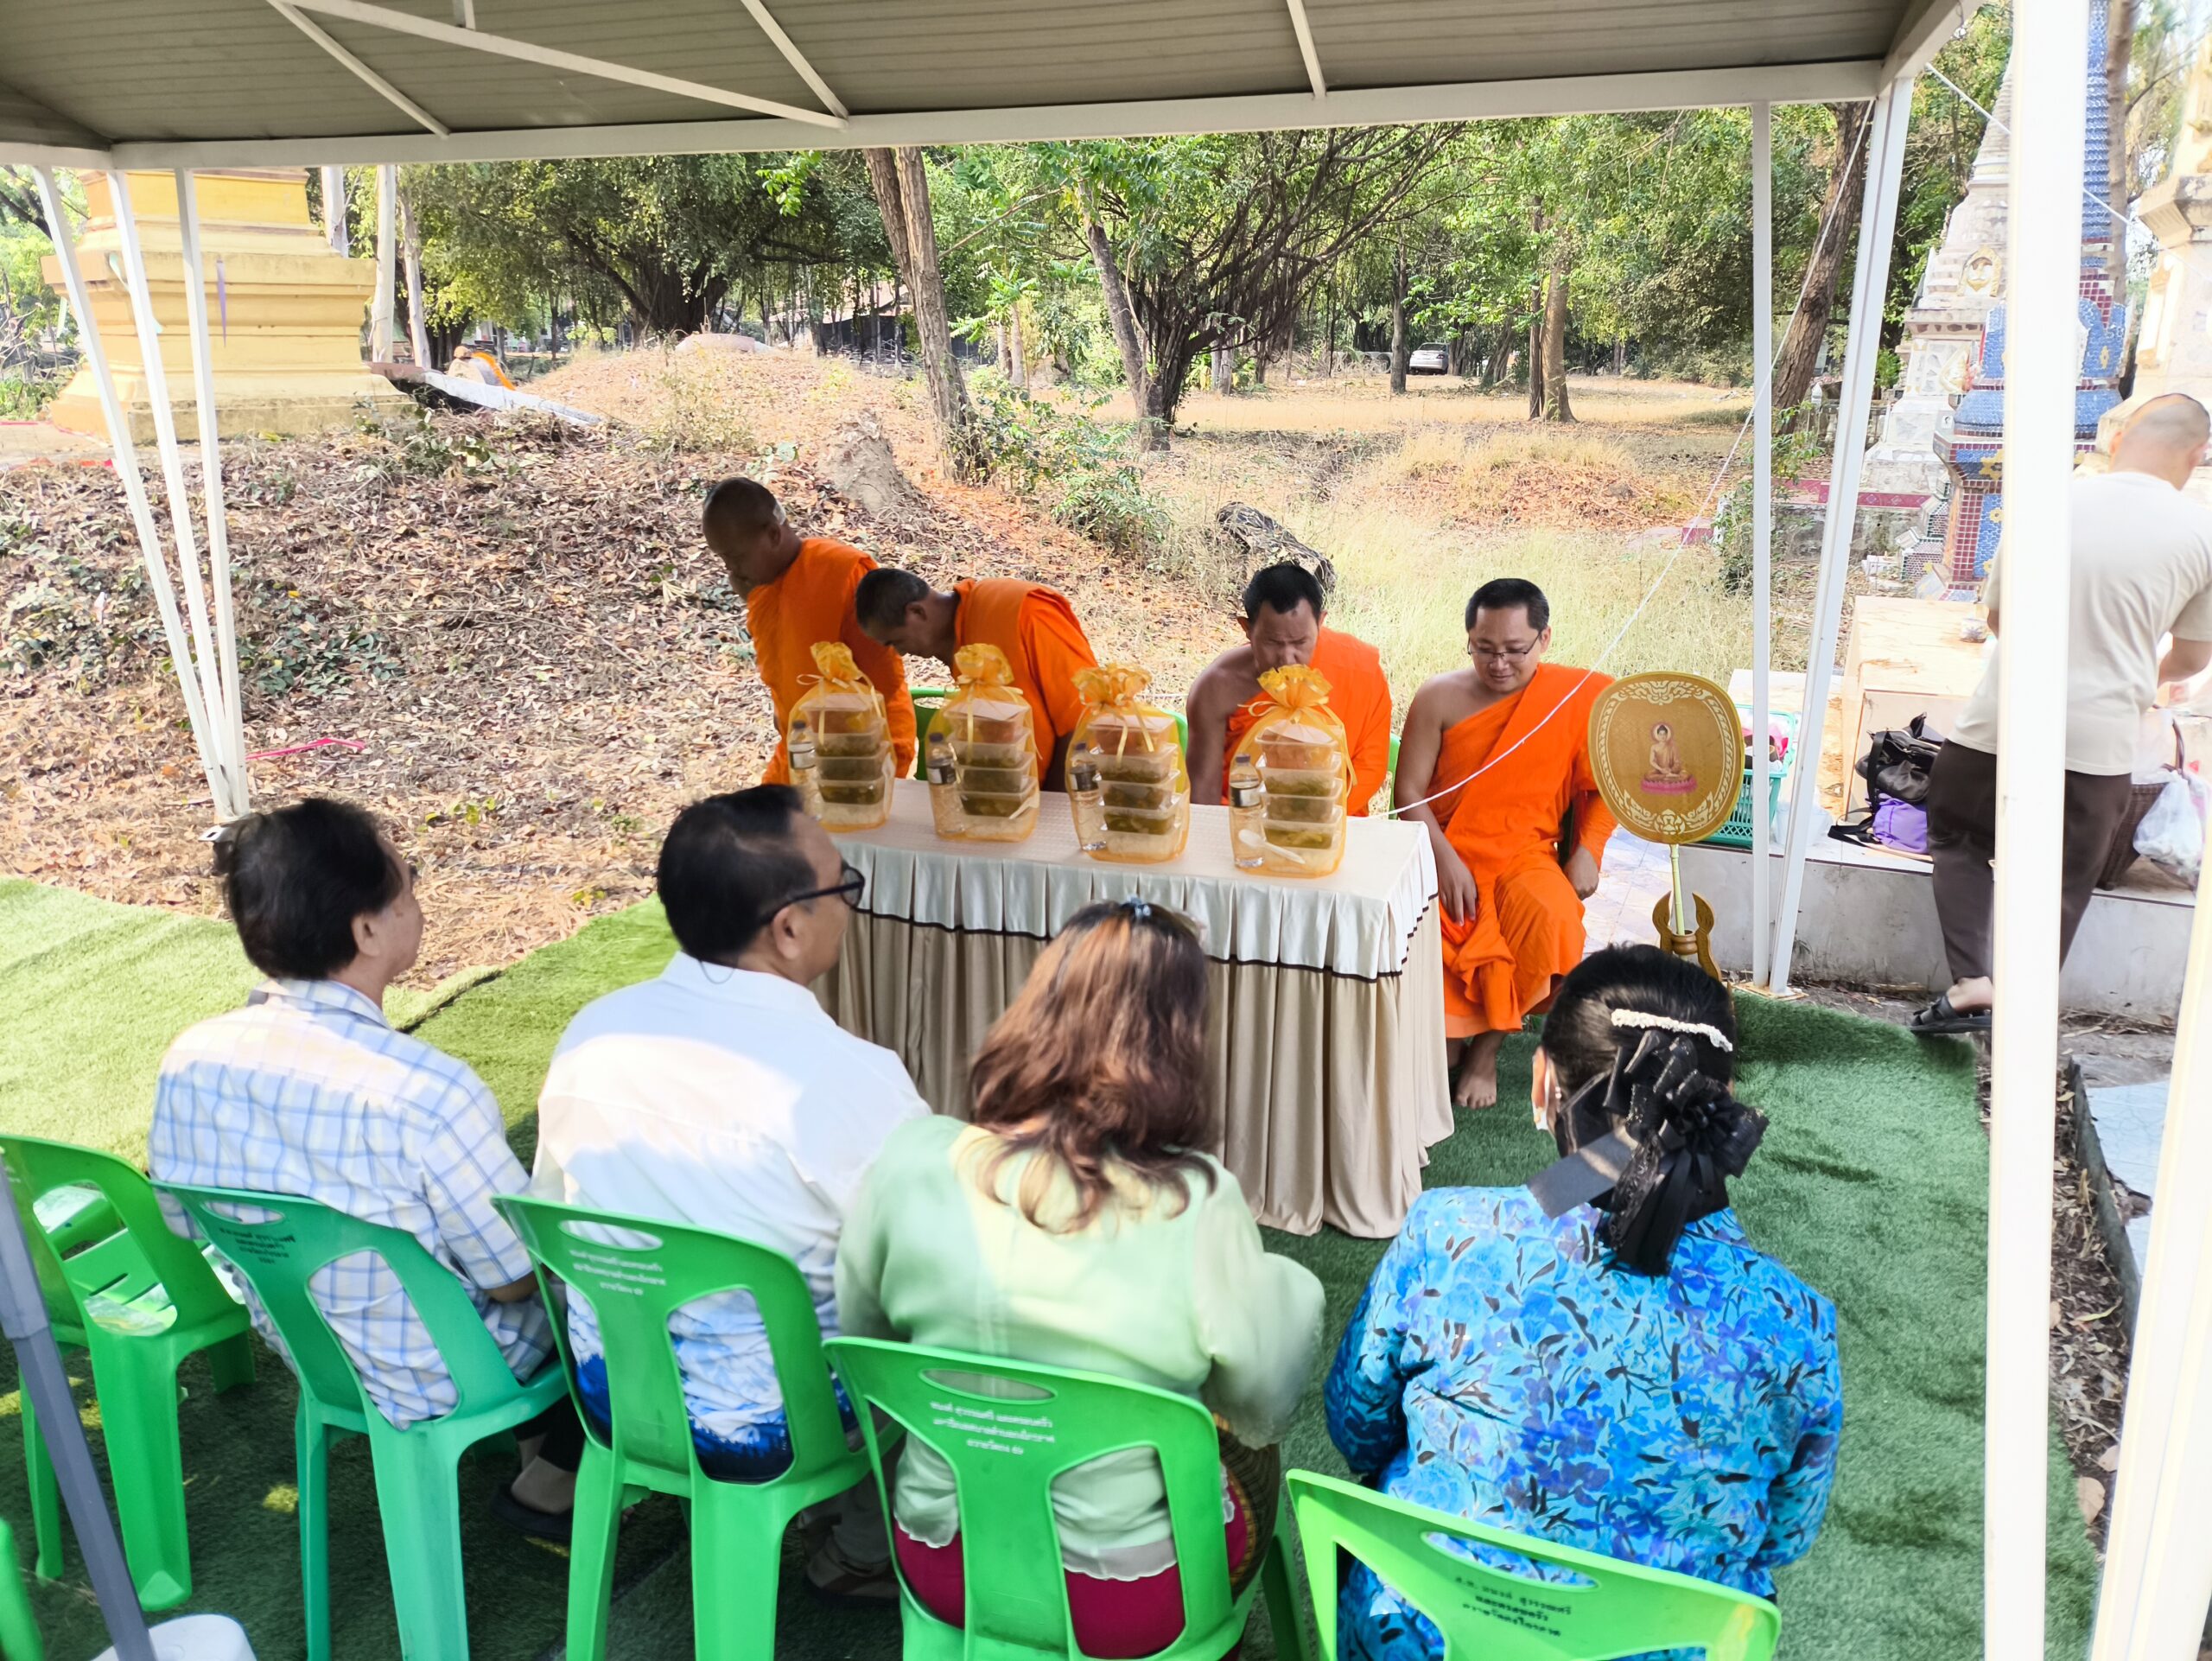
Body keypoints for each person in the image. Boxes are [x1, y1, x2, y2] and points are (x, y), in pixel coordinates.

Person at [836, 900, 1324, 1658]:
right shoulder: (1195, 1201)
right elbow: (1261, 1397)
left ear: (1037, 1006)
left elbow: (865, 1343)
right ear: (1181, 1041)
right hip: (1128, 1596)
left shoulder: (910, 1159)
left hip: (940, 1557)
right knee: (1247, 1452)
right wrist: (1290, 1294)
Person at [1326, 946, 1841, 1661]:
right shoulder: (1797, 1325)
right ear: (1720, 1105)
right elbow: (1783, 1535)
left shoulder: (1448, 1234)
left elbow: (1357, 1428)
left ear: (1542, 1084)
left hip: (1425, 1641)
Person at [531, 786, 927, 1599]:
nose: (849, 904)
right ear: (789, 928)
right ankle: (866, 1545)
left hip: (614, 1397)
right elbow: (928, 1273)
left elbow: (553, 1217)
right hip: (780, 1428)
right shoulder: (851, 1081)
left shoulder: (593, 1033)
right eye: (845, 885)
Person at [148, 797, 578, 1538]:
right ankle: (561, 1471)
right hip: (457, 1371)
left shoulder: (190, 1058)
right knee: (611, 1281)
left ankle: (543, 1456)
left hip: (314, 1358)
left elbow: (183, 1220)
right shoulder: (425, 1091)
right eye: (408, 885)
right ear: (367, 929)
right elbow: (515, 1278)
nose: (417, 902)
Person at [1914, 392, 2212, 1034]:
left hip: (2001, 721)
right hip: (2101, 743)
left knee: (1959, 839)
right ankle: (2020, 1019)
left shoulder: (2047, 503)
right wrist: (2143, 677)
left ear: (2118, 439)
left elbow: (1999, 617)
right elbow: (2191, 657)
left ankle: (1972, 983)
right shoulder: (2202, 536)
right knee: (2065, 881)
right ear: (2198, 455)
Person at [1392, 578, 1614, 1110]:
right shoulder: (1439, 696)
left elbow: (1610, 788)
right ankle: (1452, 1036)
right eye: (1484, 649)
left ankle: (1486, 1051)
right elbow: (1408, 794)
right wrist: (1445, 860)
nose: (1498, 664)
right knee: (1424, 921)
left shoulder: (1577, 698)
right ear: (1469, 638)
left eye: (1515, 650)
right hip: (1444, 849)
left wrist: (1588, 850)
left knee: (1554, 918)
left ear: (1544, 639)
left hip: (1524, 857)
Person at [703, 476, 917, 784]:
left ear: (773, 534)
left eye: (735, 557)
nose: (729, 569)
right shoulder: (762, 585)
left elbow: (885, 686)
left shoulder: (843, 574)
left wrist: (836, 744)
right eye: (722, 558)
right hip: (799, 749)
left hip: (863, 752)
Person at [852, 567, 1101, 788]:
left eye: (896, 641)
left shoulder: (1018, 609)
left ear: (917, 612)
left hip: (1065, 797)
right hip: (1016, 800)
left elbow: (1085, 717)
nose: (901, 653)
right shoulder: (959, 642)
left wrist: (1051, 804)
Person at [1186, 563, 1394, 815]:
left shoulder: (1359, 669)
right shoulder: (1218, 686)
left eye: (1300, 642)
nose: (1287, 657)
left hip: (1335, 820)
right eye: (1273, 642)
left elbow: (1370, 768)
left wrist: (1312, 818)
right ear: (1247, 629)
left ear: (1320, 622)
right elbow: (1204, 793)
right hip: (1243, 822)